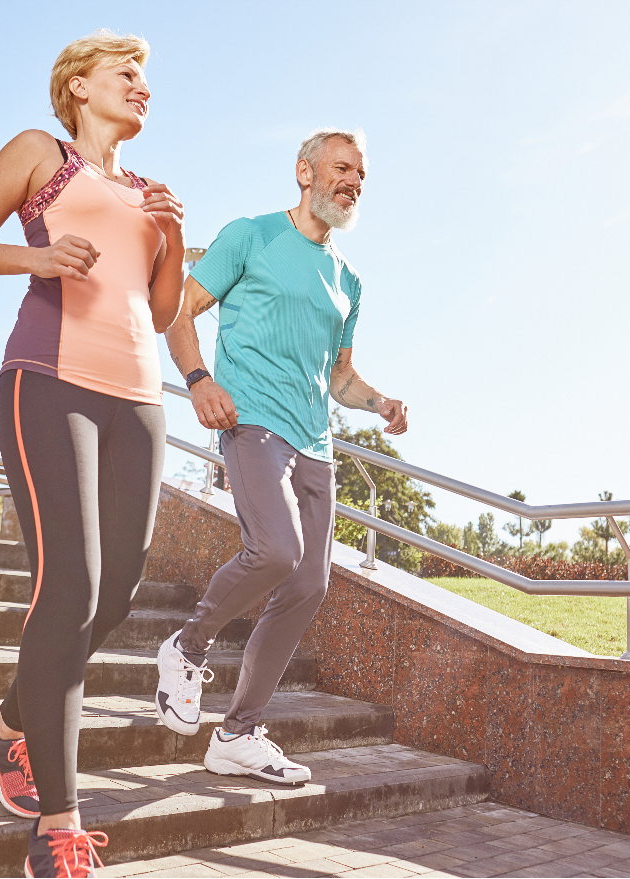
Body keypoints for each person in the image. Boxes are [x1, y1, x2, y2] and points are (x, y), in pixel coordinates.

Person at [0, 30, 184, 879]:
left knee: (115, 591)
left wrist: (173, 239)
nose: (143, 87)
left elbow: (158, 310)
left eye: (147, 77)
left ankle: (3, 725)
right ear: (78, 85)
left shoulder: (149, 189)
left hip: (140, 398)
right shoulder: (42, 154)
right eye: (127, 73)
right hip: (49, 379)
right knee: (67, 583)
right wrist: (36, 256)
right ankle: (58, 825)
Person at [156, 128, 407, 784]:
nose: (353, 181)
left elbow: (341, 377)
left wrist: (378, 402)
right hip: (252, 422)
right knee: (276, 550)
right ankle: (187, 646)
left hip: (315, 443)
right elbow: (179, 311)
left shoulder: (348, 280)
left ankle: (237, 733)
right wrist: (198, 380)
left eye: (361, 174)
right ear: (305, 171)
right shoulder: (251, 236)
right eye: (341, 167)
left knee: (308, 583)